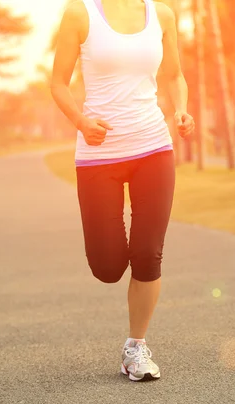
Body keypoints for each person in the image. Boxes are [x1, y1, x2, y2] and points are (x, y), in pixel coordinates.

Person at [51, 0, 195, 382]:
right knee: (108, 266)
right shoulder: (80, 13)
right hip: (100, 155)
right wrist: (82, 121)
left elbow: (175, 75)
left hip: (153, 146)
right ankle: (116, 274)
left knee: (148, 254)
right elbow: (57, 83)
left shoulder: (162, 14)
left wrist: (181, 109)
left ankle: (136, 348)